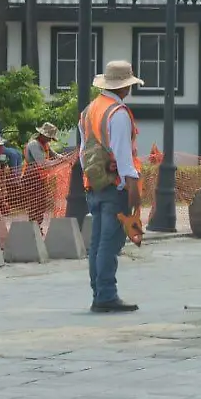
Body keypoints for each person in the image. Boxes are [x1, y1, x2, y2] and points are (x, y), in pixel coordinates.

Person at [78, 61, 144, 313]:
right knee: (109, 244)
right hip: (116, 186)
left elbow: (84, 153)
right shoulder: (118, 113)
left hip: (94, 185)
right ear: (125, 87)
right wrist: (132, 188)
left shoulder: (89, 111)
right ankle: (106, 295)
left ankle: (99, 291)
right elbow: (124, 156)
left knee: (97, 244)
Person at [22, 122, 62, 228]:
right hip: (31, 179)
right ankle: (32, 228)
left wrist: (62, 158)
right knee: (34, 205)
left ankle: (37, 226)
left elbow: (55, 155)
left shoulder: (45, 144)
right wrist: (59, 162)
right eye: (49, 137)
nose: (50, 140)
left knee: (41, 204)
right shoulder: (34, 144)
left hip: (40, 178)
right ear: (43, 135)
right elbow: (42, 164)